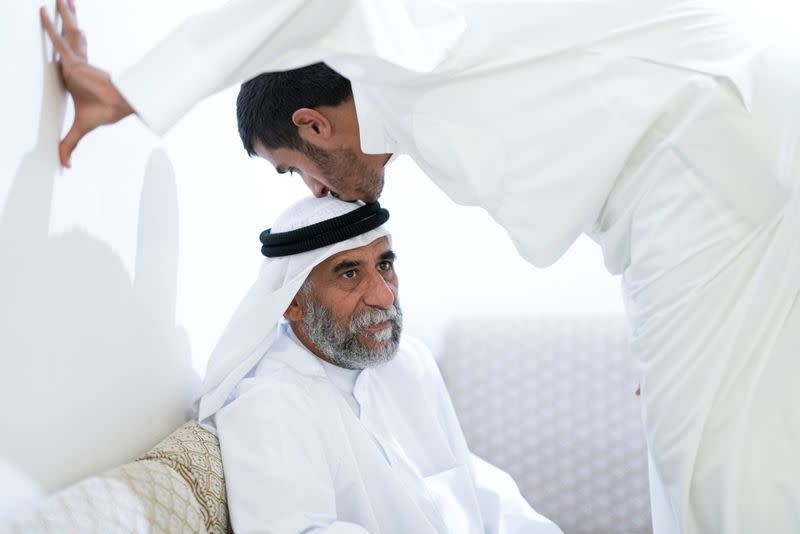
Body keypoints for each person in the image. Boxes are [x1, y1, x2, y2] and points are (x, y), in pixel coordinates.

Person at [40, 1, 800, 533]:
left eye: (293, 168)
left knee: (715, 473)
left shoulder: (396, 51)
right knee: (709, 460)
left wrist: (133, 90)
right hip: (708, 159)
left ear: (313, 123)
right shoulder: (272, 405)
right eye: (347, 272)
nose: (317, 192)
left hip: (713, 146)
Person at [204, 195, 561, 533]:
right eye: (350, 274)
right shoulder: (269, 404)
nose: (384, 295)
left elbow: (466, 482)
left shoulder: (408, 362)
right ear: (292, 302)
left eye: (384, 266)